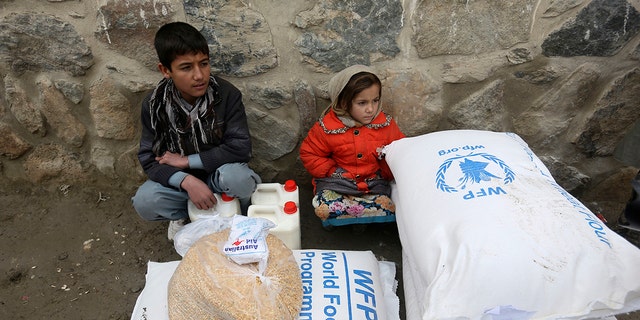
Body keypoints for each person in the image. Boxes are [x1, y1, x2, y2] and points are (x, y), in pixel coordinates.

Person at [132, 22, 261, 241]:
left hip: (220, 179)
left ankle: (241, 213)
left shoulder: (226, 95)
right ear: (165, 70)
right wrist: (187, 180)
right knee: (145, 201)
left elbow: (240, 148)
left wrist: (187, 161)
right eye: (186, 67)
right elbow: (150, 158)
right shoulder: (154, 105)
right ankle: (187, 215)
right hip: (182, 186)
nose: (199, 75)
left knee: (239, 178)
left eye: (204, 63)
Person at [299, 65, 405, 233]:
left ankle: (358, 221)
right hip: (339, 182)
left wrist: (384, 171)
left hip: (373, 183)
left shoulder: (385, 125)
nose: (370, 109)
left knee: (391, 206)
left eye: (375, 100)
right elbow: (309, 153)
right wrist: (332, 171)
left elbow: (400, 152)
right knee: (325, 207)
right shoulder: (327, 127)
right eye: (362, 103)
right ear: (344, 102)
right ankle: (340, 222)